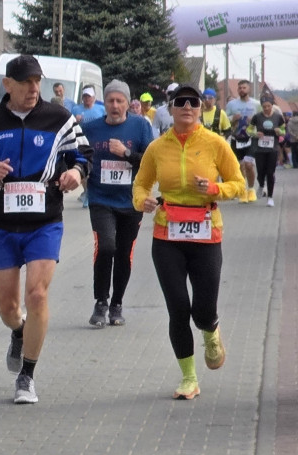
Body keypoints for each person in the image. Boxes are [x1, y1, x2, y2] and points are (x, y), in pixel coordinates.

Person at [0, 54, 92, 404]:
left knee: (37, 295)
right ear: (8, 85)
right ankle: (18, 332)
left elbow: (82, 154)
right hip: (2, 224)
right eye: (26, 83)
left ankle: (27, 376)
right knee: (8, 307)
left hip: (44, 221)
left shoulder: (58, 118)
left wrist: (76, 173)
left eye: (38, 82)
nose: (34, 89)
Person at [132, 83, 245, 400]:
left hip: (207, 232)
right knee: (178, 309)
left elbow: (238, 183)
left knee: (203, 308)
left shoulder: (215, 144)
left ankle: (211, 330)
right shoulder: (157, 148)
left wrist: (213, 189)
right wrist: (142, 201)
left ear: (200, 107)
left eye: (192, 102)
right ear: (169, 107)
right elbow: (140, 186)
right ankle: (188, 378)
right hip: (167, 235)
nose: (186, 106)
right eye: (179, 102)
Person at [81, 80, 153, 328]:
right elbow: (79, 158)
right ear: (105, 103)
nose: (115, 105)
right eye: (110, 100)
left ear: (127, 103)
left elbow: (150, 163)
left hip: (131, 200)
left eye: (119, 100)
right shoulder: (90, 129)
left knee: (124, 252)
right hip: (101, 199)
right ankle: (101, 301)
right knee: (107, 246)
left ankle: (117, 304)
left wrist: (126, 153)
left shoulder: (141, 126)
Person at [247, 92, 285, 207]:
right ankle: (261, 186)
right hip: (259, 149)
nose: (266, 109)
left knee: (270, 172)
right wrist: (255, 133)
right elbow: (249, 130)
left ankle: (270, 197)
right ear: (261, 106)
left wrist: (280, 132)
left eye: (268, 106)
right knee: (260, 171)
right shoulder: (257, 117)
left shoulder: (278, 117)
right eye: (264, 107)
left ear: (272, 105)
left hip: (272, 148)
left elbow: (284, 131)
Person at [226, 79, 259, 201]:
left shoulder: (256, 104)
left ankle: (251, 189)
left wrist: (254, 121)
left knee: (249, 165)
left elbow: (262, 118)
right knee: (240, 165)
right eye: (239, 88)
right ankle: (242, 190)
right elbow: (225, 120)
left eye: (244, 88)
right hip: (237, 138)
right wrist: (233, 118)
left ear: (249, 89)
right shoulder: (232, 105)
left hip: (251, 138)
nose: (241, 90)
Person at [73, 87, 104, 207]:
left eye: (89, 96)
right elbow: (69, 124)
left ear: (94, 98)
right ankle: (87, 192)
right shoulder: (76, 109)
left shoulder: (101, 109)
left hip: (97, 143)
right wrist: (75, 120)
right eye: (85, 96)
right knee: (83, 170)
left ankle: (94, 193)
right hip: (81, 144)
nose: (87, 99)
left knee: (96, 169)